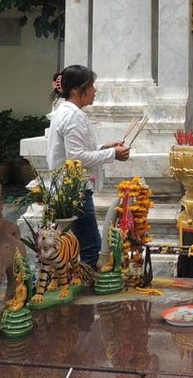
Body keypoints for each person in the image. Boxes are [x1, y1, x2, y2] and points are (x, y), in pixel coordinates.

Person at [46, 65, 129, 270]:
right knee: (90, 249)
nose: (95, 90)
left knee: (75, 247)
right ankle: (89, 285)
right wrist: (113, 154)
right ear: (77, 90)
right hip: (75, 192)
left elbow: (76, 152)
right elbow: (76, 157)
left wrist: (105, 148)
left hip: (69, 190)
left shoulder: (67, 112)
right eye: (91, 85)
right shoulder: (72, 116)